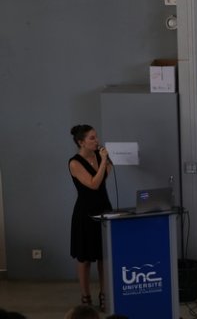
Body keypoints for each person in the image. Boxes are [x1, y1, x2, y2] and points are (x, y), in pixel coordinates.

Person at [68, 124, 112, 312]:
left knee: (104, 257)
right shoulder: (74, 163)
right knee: (84, 259)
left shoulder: (100, 156)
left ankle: (104, 295)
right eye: (92, 138)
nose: (97, 141)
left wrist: (104, 161)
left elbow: (104, 178)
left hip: (104, 208)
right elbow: (94, 184)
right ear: (81, 142)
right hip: (85, 213)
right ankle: (85, 297)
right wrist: (104, 162)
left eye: (96, 137)